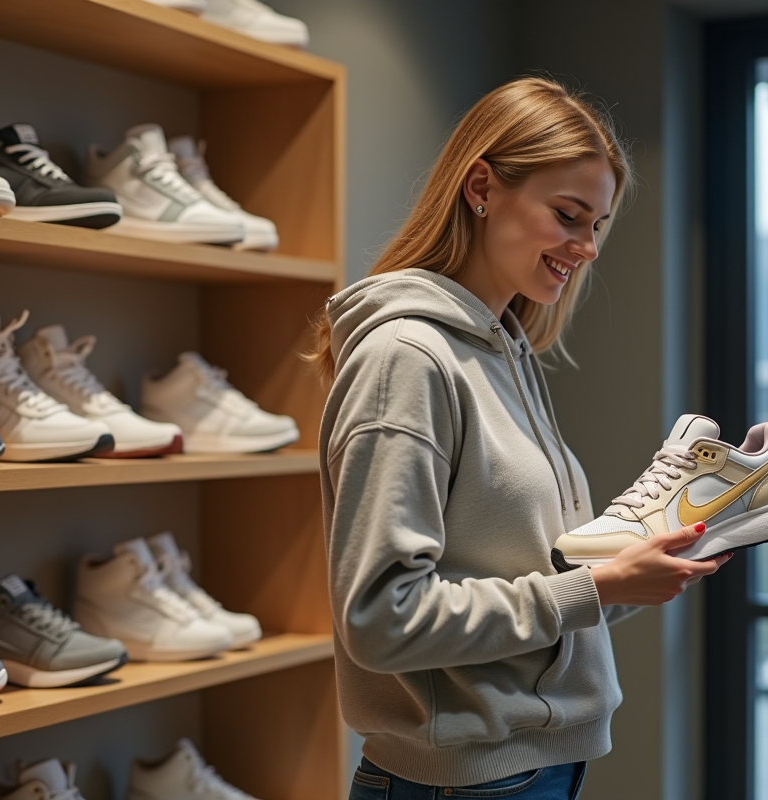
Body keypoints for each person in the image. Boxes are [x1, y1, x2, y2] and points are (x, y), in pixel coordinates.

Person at [311, 76, 731, 800]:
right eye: (569, 216)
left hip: (531, 767)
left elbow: (528, 569)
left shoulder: (503, 351)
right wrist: (593, 589)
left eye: (597, 225)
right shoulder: (408, 359)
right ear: (481, 186)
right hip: (464, 782)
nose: (588, 248)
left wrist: (633, 568)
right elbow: (382, 619)